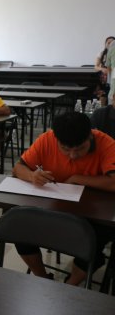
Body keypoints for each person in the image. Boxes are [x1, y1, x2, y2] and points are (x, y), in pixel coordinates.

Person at [12, 112, 115, 286]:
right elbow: (18, 168)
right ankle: (43, 280)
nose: (73, 155)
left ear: (90, 136)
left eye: (80, 149)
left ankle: (69, 285)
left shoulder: (106, 144)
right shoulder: (47, 139)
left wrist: (77, 178)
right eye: (66, 149)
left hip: (93, 214)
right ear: (56, 139)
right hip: (55, 207)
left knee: (95, 243)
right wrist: (32, 176)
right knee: (19, 227)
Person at [94, 36, 114, 105]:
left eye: (112, 42)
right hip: (104, 80)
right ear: (105, 44)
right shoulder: (101, 53)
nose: (110, 44)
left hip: (113, 78)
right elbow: (96, 67)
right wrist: (102, 69)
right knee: (102, 98)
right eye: (108, 42)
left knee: (112, 98)